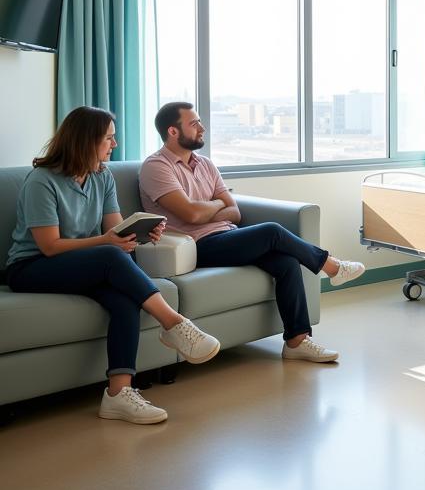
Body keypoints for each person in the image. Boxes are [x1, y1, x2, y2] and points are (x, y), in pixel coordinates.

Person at [6, 107, 221, 425]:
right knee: (110, 255)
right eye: (108, 137)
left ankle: (118, 394)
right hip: (32, 266)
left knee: (124, 299)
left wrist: (142, 233)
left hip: (82, 264)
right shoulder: (42, 180)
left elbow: (117, 230)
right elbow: (49, 246)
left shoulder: (101, 176)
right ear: (86, 140)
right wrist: (108, 242)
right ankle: (173, 324)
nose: (115, 144)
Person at [138, 103, 364, 364]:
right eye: (194, 123)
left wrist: (210, 208)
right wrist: (216, 204)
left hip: (227, 236)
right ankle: (331, 266)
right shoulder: (156, 167)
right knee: (271, 231)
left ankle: (296, 341)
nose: (202, 128)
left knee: (287, 262)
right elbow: (191, 215)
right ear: (173, 131)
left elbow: (235, 212)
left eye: (200, 122)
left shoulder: (206, 164)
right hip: (193, 247)